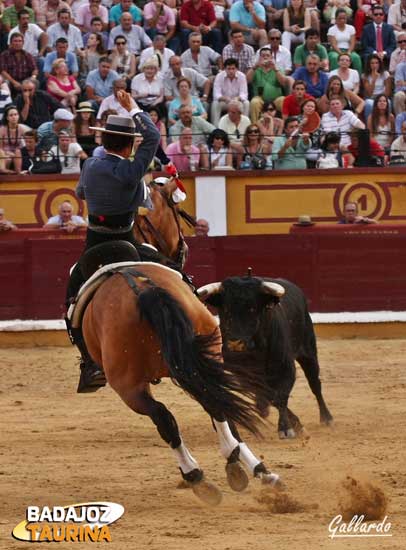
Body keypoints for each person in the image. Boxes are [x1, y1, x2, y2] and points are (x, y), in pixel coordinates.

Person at [65, 91, 162, 393]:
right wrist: (133, 108)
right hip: (129, 243)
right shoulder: (131, 170)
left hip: (95, 247)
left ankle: (89, 362)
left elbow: (81, 194)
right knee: (168, 273)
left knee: (72, 296)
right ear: (129, 144)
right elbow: (153, 135)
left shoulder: (90, 167)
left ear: (104, 141)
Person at [247, 46, 291, 122]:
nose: (265, 58)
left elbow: (284, 83)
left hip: (275, 100)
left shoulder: (278, 69)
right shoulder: (255, 69)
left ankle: (285, 126)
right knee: (254, 102)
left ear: (271, 57)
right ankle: (255, 127)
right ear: (259, 58)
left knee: (283, 100)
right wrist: (255, 67)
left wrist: (275, 69)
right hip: (260, 99)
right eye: (263, 56)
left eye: (268, 56)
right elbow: (247, 80)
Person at [211, 58, 249, 126]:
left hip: (237, 101)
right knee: (215, 103)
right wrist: (225, 98)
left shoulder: (242, 76)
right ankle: (215, 127)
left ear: (237, 69)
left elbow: (244, 94)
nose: (231, 71)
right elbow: (216, 94)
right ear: (225, 69)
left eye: (233, 68)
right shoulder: (219, 76)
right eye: (228, 69)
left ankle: (245, 127)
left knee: (246, 103)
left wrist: (237, 98)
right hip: (224, 102)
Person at [0, 33, 38, 97]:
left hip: (25, 81)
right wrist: (14, 82)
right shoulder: (4, 55)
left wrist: (32, 78)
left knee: (35, 82)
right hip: (11, 81)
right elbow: (3, 72)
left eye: (20, 41)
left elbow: (34, 69)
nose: (17, 43)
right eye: (15, 41)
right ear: (11, 43)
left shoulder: (27, 55)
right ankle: (9, 104)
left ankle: (32, 102)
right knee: (5, 83)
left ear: (23, 43)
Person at [327, 10, 362, 74]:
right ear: (336, 19)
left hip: (349, 50)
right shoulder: (331, 29)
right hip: (335, 51)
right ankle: (334, 78)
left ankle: (358, 80)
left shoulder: (351, 28)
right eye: (340, 18)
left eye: (344, 18)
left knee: (356, 57)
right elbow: (333, 44)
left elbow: (352, 43)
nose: (342, 20)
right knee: (335, 57)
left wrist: (348, 52)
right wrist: (341, 54)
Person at [0, 104, 30, 173]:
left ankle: (19, 174)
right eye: (11, 115)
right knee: (8, 159)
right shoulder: (2, 130)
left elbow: (29, 142)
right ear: (7, 118)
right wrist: (10, 154)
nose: (14, 117)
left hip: (17, 153)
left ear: (18, 116)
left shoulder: (22, 129)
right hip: (4, 153)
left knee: (18, 155)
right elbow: (0, 148)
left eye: (16, 114)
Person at [361, 54, 392, 120]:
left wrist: (381, 100)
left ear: (379, 64)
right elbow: (369, 93)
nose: (374, 65)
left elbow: (388, 92)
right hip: (371, 98)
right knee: (369, 104)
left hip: (383, 96)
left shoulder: (385, 74)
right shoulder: (365, 76)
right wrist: (374, 80)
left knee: (388, 102)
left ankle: (387, 124)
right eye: (372, 63)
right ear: (369, 64)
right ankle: (369, 126)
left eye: (376, 63)